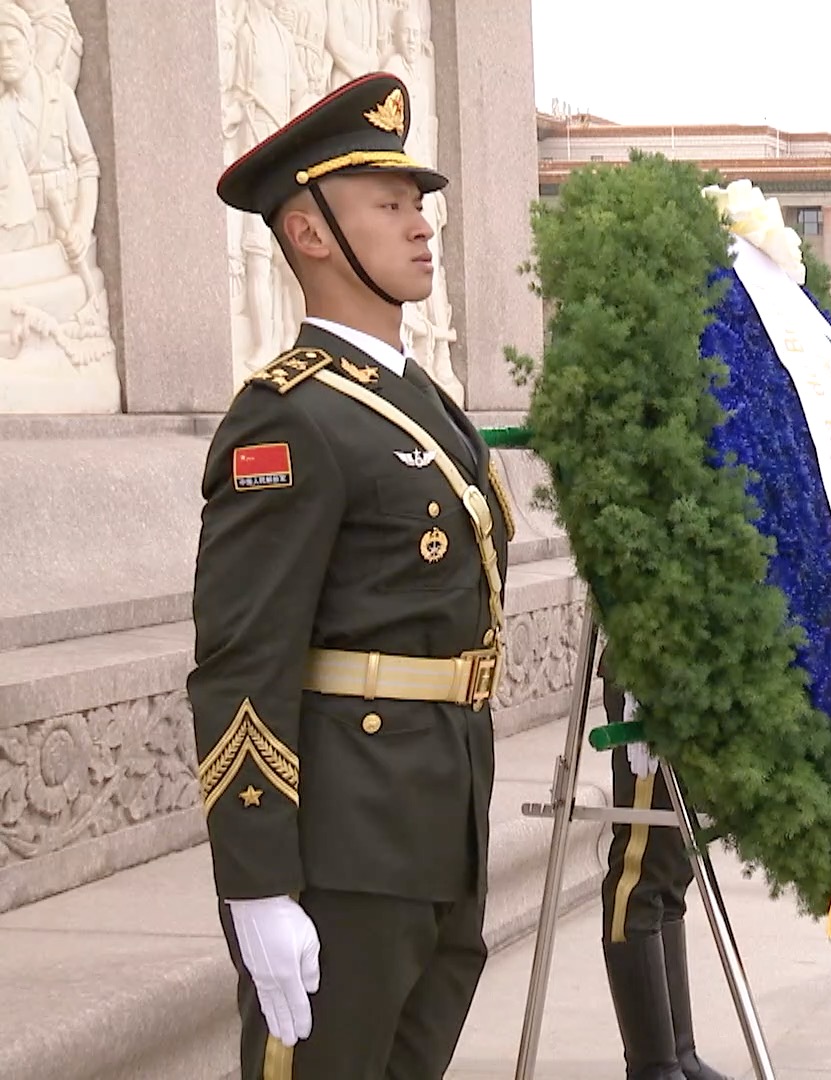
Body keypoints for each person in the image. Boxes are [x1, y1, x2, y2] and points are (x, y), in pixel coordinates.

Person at [191, 72, 513, 1079]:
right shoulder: (291, 417)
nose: (421, 226)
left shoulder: (418, 398)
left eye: (418, 204)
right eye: (390, 205)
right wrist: (258, 884)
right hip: (344, 845)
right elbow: (243, 659)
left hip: (437, 825)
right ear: (311, 231)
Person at [598, 657, 733, 1080]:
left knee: (674, 868)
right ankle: (653, 1066)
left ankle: (678, 1053)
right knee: (641, 872)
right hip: (655, 658)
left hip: (707, 666)